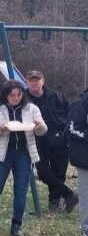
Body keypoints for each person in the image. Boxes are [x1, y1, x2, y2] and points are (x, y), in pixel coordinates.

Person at [0, 80, 47, 236]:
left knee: (21, 191)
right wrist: (0, 128)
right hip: (1, 155)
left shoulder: (32, 109)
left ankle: (17, 226)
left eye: (18, 95)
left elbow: (43, 130)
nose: (16, 98)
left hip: (23, 153)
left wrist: (39, 126)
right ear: (6, 95)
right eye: (12, 95)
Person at [26, 71, 76, 213]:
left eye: (37, 80)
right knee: (42, 172)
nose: (34, 83)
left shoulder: (57, 96)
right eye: (31, 80)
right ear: (27, 81)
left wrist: (66, 132)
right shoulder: (24, 99)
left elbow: (69, 113)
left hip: (59, 139)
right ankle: (69, 194)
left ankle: (54, 202)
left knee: (59, 172)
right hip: (37, 140)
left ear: (43, 81)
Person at [66, 89, 88, 236]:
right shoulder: (79, 105)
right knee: (86, 195)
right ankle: (86, 230)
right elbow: (71, 129)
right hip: (84, 159)